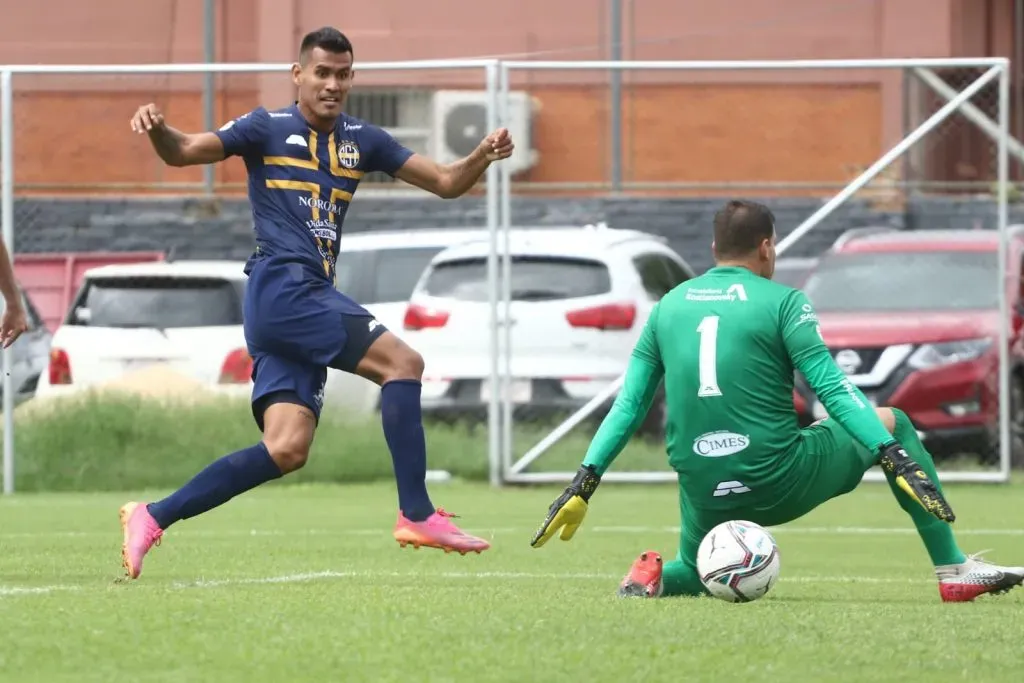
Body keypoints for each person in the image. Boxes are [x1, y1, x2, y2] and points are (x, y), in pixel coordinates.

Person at [119, 26, 514, 580]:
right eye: (321, 73)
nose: (332, 84)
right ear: (298, 75)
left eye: (343, 74)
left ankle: (151, 516)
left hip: (294, 301)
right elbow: (184, 151)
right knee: (404, 364)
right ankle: (418, 512)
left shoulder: (362, 139)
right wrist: (160, 130)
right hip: (285, 289)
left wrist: (482, 155)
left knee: (286, 448)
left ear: (353, 78)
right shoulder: (265, 128)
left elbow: (448, 183)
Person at [530, 199, 1024, 603]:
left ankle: (650, 578)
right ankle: (954, 569)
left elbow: (629, 405)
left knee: (695, 565)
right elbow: (833, 389)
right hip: (780, 478)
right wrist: (892, 455)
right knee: (893, 420)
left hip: (704, 487)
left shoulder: (669, 306)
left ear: (713, 249)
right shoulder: (786, 302)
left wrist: (585, 481)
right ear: (767, 247)